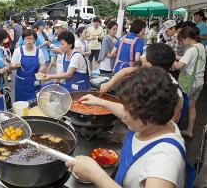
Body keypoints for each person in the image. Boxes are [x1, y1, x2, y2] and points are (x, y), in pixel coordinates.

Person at [67, 67, 195, 188]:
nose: (124, 114)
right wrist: (100, 102)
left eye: (129, 110)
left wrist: (94, 174)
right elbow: (128, 112)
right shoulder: (158, 121)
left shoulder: (165, 160)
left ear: (149, 117)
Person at [101, 43, 184, 123]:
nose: (142, 57)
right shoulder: (149, 72)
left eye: (145, 55)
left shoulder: (172, 90)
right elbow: (126, 71)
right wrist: (108, 84)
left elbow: (172, 121)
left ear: (149, 65)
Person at [172, 26, 206, 138]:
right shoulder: (200, 46)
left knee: (180, 107)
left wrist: (169, 58)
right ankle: (189, 130)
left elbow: (178, 66)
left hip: (189, 84)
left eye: (182, 40)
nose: (182, 43)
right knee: (192, 107)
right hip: (199, 82)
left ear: (187, 38)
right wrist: (175, 55)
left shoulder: (191, 50)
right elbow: (186, 58)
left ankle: (175, 131)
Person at [11, 29, 46, 102]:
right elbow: (12, 66)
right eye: (27, 38)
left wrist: (40, 70)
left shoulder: (39, 51)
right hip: (21, 83)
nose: (29, 41)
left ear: (35, 40)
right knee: (21, 104)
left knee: (34, 104)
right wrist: (15, 65)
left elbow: (43, 65)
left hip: (34, 82)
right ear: (23, 39)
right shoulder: (18, 51)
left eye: (32, 38)